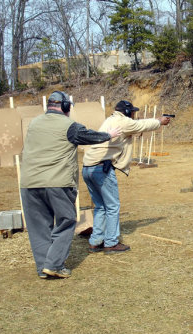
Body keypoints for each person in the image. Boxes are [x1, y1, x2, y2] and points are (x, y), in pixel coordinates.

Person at [20, 91, 121, 279]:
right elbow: (88, 136)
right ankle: (54, 265)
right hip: (57, 182)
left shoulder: (34, 123)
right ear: (65, 107)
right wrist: (108, 135)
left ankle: (43, 267)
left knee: (39, 227)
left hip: (28, 183)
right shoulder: (69, 126)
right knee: (66, 221)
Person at [82, 100, 171, 254]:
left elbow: (135, 126)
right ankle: (111, 242)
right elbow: (141, 125)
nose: (134, 115)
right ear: (128, 112)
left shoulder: (111, 119)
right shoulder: (124, 122)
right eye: (133, 112)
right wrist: (159, 121)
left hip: (87, 167)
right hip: (101, 168)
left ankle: (95, 242)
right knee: (112, 206)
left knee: (101, 206)